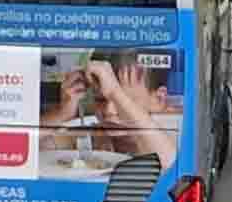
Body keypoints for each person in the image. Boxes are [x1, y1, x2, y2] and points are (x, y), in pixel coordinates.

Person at [39, 51, 177, 172]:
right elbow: (21, 148)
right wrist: (61, 114)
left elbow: (170, 165)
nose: (109, 111)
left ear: (158, 99)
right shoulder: (93, 137)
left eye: (123, 101)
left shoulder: (172, 134)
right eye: (100, 100)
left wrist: (115, 92)